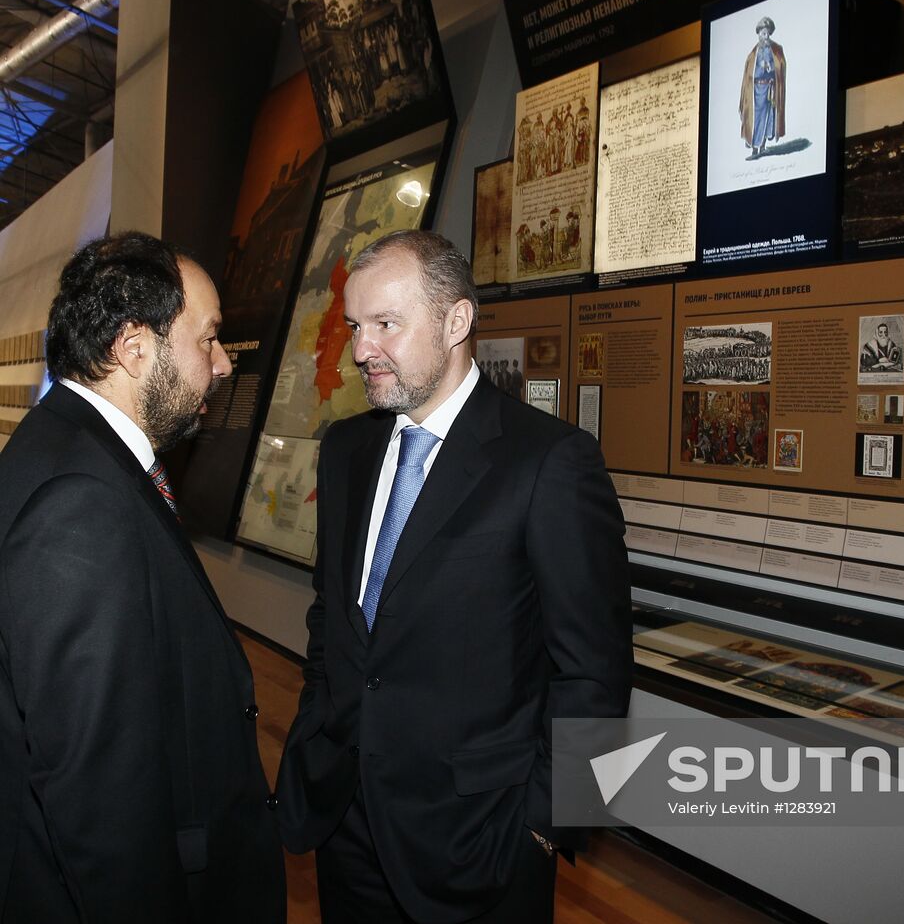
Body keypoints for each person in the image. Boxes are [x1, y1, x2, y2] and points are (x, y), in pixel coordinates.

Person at [275, 230, 632, 923]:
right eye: (355, 325)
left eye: (386, 324)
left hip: (480, 841)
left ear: (456, 320)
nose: (361, 349)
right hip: (344, 818)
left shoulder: (549, 463)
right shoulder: (346, 450)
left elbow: (596, 672)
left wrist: (544, 825)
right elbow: (334, 618)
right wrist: (321, 722)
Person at [0, 232, 285, 922]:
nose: (221, 365)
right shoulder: (81, 503)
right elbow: (97, 793)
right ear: (134, 349)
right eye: (209, 339)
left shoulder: (63, 449)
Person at [739, 16, 786, 159]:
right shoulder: (753, 54)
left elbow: (780, 68)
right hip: (756, 92)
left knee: (768, 118)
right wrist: (760, 68)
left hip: (770, 90)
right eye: (762, 33)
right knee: (757, 118)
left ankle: (763, 146)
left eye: (766, 33)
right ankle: (754, 148)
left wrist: (771, 67)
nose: (764, 36)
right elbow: (749, 75)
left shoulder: (775, 50)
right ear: (758, 33)